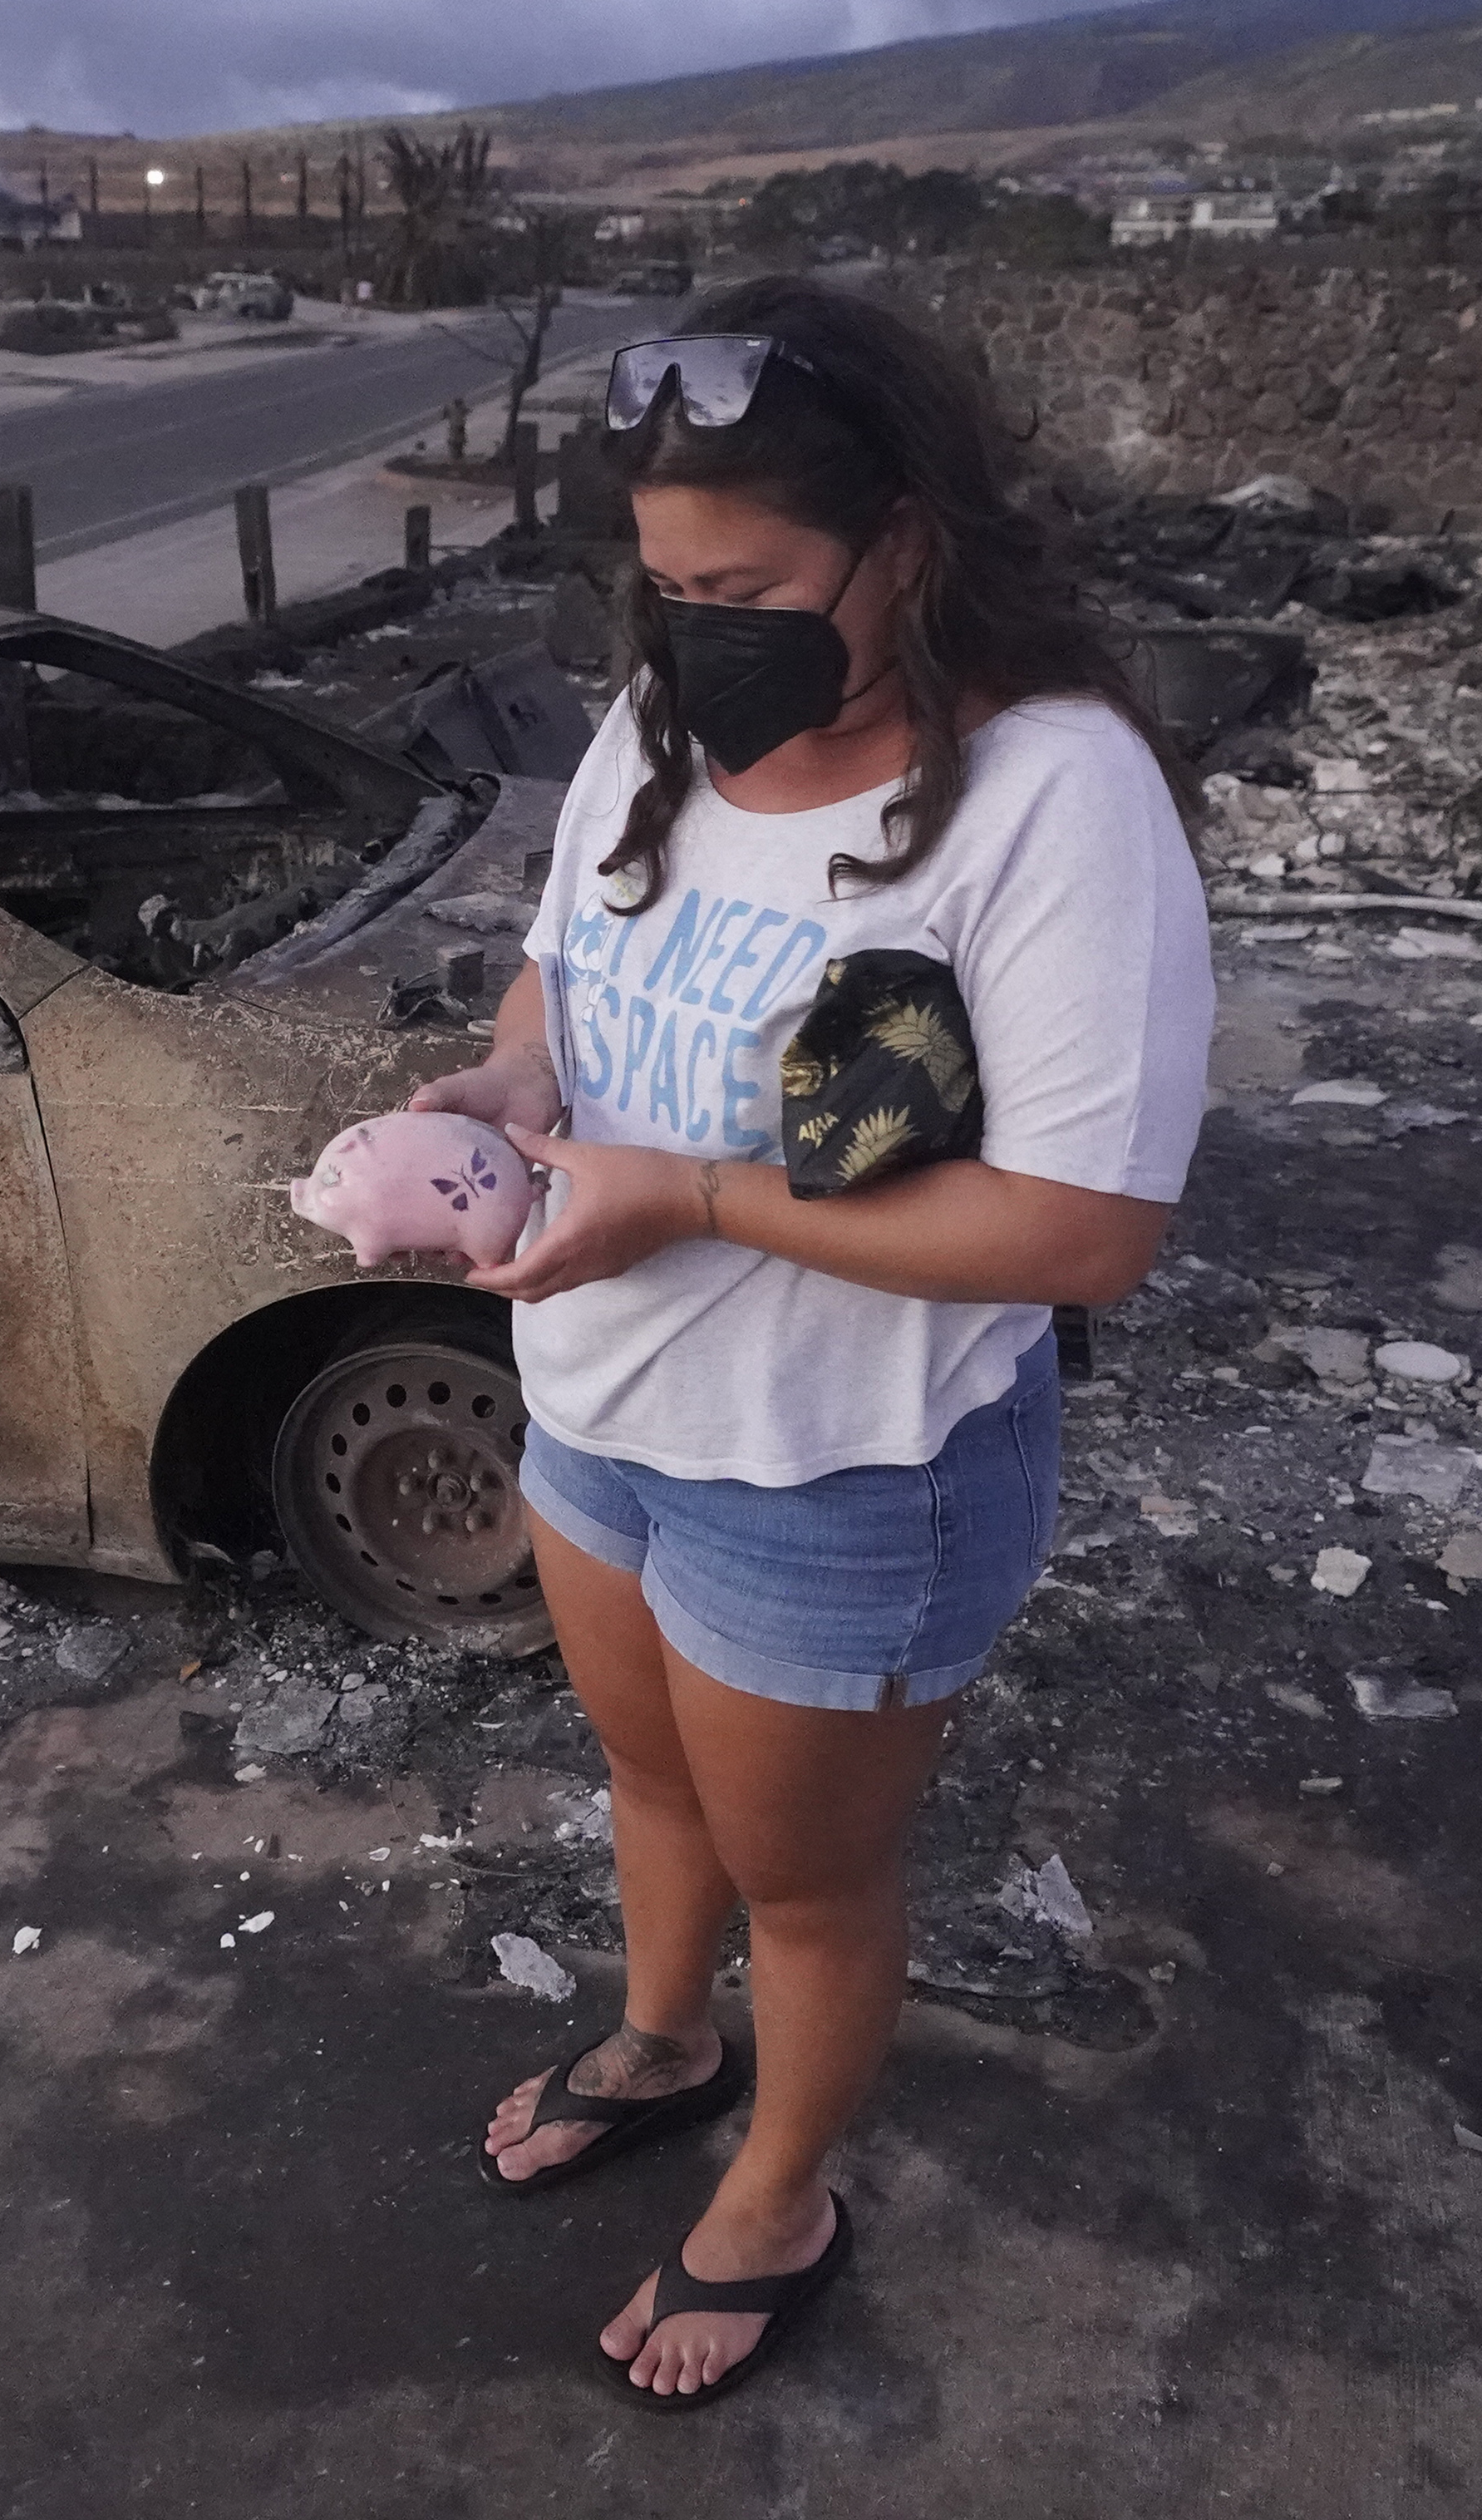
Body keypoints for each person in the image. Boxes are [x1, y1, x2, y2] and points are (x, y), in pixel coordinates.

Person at [414, 277, 1212, 2407]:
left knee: (814, 1879)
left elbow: (1090, 1228)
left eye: (748, 585)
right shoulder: (664, 724)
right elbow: (554, 980)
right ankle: (666, 2044)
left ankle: (781, 2188)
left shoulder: (1055, 796)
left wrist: (687, 1197)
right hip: (601, 1406)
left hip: (845, 1464)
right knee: (649, 1783)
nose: (695, 634)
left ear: (912, 539)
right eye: (667, 588)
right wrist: (510, 1090)